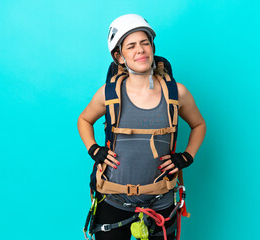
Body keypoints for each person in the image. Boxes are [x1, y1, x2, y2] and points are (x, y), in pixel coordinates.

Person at [78, 14, 206, 240]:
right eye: (131, 46)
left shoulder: (177, 93)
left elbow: (198, 124)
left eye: (145, 43)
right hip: (113, 200)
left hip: (161, 202)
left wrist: (187, 156)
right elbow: (84, 120)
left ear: (153, 48)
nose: (140, 50)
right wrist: (94, 149)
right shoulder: (108, 94)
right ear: (119, 56)